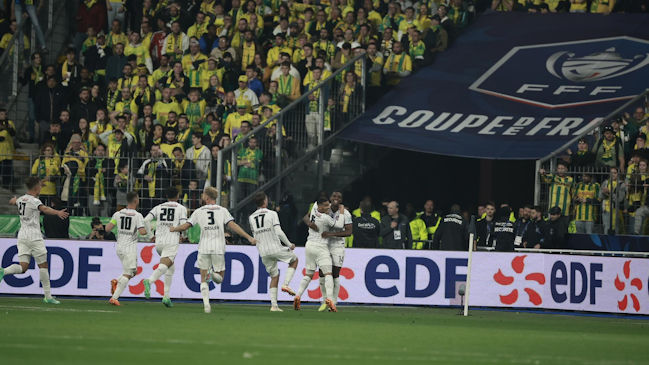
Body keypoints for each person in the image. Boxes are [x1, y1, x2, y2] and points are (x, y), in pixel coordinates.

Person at [170, 187, 256, 313]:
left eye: (203, 194)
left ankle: (206, 305)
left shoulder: (199, 211)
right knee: (220, 278)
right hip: (218, 247)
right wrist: (248, 237)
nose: (202, 196)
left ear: (207, 197)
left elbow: (187, 225)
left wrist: (175, 229)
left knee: (203, 278)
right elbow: (233, 225)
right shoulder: (222, 210)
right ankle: (212, 275)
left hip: (204, 246)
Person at [0, 177, 70, 304]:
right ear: (36, 187)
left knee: (23, 267)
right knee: (43, 265)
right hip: (34, 236)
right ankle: (48, 296)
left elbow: (14, 201)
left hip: (22, 235)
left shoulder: (21, 199)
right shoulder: (34, 201)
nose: (41, 187)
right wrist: (57, 212)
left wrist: (13, 200)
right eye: (40, 186)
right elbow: (44, 209)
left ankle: (3, 271)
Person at [249, 192, 298, 312]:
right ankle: (286, 284)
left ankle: (274, 306)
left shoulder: (251, 217)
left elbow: (255, 236)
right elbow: (279, 232)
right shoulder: (272, 213)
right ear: (265, 201)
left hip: (263, 251)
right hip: (275, 247)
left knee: (274, 276)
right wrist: (289, 244)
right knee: (294, 260)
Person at [293, 197, 344, 312]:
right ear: (320, 206)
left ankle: (298, 296)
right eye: (325, 206)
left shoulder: (314, 207)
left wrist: (310, 224)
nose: (328, 207)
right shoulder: (325, 218)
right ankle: (330, 300)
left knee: (309, 274)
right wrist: (341, 211)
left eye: (328, 205)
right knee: (328, 274)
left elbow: (306, 217)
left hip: (309, 245)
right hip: (321, 247)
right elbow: (340, 225)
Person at [143, 187, 188, 307]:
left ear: (167, 196)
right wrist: (183, 235)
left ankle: (166, 297)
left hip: (159, 241)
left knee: (171, 268)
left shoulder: (159, 207)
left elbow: (146, 220)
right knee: (164, 265)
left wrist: (149, 235)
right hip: (171, 240)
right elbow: (184, 224)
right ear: (177, 196)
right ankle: (150, 280)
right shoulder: (181, 208)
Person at [105, 192, 148, 306]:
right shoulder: (137, 215)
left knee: (133, 272)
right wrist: (148, 228)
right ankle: (114, 298)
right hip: (129, 248)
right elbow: (142, 232)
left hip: (119, 247)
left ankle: (116, 282)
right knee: (129, 273)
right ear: (136, 201)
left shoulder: (118, 214)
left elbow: (108, 228)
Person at [316, 191, 352, 310]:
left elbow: (348, 232)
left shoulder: (345, 213)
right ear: (330, 198)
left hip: (338, 246)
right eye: (334, 196)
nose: (336, 198)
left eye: (339, 197)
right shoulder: (324, 210)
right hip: (324, 245)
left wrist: (331, 234)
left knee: (335, 274)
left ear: (341, 200)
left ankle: (333, 302)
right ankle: (324, 300)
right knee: (322, 273)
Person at [600, 166, 627, 234]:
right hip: (605, 209)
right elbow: (600, 196)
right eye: (611, 173)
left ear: (618, 174)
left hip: (616, 210)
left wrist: (609, 193)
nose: (613, 175)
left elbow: (620, 199)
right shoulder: (605, 182)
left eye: (615, 173)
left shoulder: (621, 184)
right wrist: (604, 193)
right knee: (606, 228)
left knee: (615, 230)